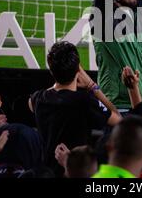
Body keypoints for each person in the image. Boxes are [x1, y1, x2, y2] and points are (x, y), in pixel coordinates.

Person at [29, 41, 121, 174]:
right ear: (79, 69)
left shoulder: (38, 99)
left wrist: (57, 82)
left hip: (47, 173)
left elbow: (40, 98)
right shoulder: (85, 101)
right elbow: (118, 118)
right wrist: (91, 85)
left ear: (50, 67)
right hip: (78, 172)